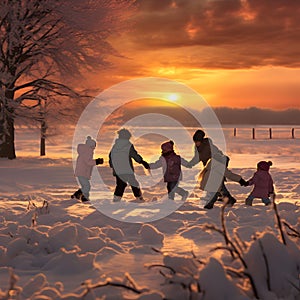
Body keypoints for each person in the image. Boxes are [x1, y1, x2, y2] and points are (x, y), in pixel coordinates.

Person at [188, 129, 247, 209]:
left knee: (216, 183)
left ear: (201, 140)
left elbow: (219, 157)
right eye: (195, 141)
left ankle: (220, 199)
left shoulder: (209, 146)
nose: (196, 143)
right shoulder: (197, 147)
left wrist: (219, 164)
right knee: (218, 184)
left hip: (218, 163)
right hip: (209, 166)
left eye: (197, 141)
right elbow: (197, 157)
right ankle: (227, 198)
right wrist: (190, 164)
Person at [109, 128, 150, 202]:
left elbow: (111, 156)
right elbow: (135, 155)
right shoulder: (128, 145)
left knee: (121, 184)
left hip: (118, 170)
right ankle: (139, 198)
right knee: (134, 183)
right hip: (127, 169)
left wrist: (112, 166)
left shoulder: (115, 146)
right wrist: (142, 162)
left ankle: (116, 199)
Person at [72, 136, 104, 202]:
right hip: (83, 172)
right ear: (91, 146)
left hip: (82, 172)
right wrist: (97, 161)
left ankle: (85, 198)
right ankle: (77, 195)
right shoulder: (87, 151)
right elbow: (88, 162)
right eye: (94, 147)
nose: (94, 149)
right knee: (87, 186)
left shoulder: (85, 151)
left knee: (86, 186)